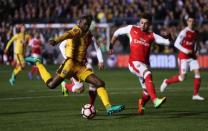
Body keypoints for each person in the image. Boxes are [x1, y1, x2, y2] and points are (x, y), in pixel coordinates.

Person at [25, 15, 125, 115]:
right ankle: (38, 62)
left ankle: (109, 107)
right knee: (51, 85)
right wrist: (56, 40)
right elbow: (68, 34)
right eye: (84, 24)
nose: (86, 26)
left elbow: (97, 46)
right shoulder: (77, 30)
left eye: (88, 25)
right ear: (79, 22)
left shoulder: (89, 34)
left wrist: (101, 60)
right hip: (70, 64)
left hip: (81, 67)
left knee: (100, 83)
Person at [109, 13, 171, 114]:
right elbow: (117, 32)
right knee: (148, 74)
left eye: (145, 23)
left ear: (149, 24)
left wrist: (170, 37)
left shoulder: (152, 35)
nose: (143, 25)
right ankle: (155, 100)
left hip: (144, 64)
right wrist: (111, 44)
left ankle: (141, 104)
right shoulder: (131, 29)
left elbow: (167, 42)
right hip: (134, 62)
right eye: (141, 22)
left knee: (146, 91)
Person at [160, 14, 204, 101]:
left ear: (195, 22)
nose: (191, 23)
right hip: (183, 57)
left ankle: (195, 95)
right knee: (182, 78)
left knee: (197, 73)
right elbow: (176, 44)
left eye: (193, 21)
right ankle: (166, 82)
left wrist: (197, 51)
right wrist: (186, 51)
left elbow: (194, 43)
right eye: (190, 21)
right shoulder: (184, 32)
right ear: (187, 22)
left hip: (192, 57)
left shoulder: (195, 32)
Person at [59, 35, 104, 106]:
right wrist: (67, 58)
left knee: (94, 83)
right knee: (80, 89)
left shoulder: (91, 37)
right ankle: (65, 85)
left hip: (84, 63)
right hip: (73, 65)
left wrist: (101, 61)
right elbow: (61, 45)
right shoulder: (75, 35)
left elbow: (97, 48)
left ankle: (91, 106)